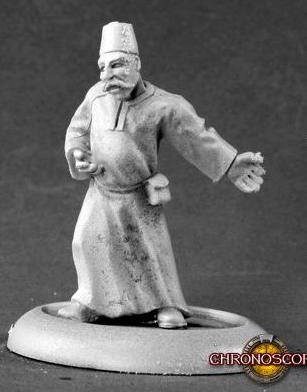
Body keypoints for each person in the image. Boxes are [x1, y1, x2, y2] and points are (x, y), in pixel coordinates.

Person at [58, 22, 265, 329]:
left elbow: (196, 136)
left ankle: (165, 305)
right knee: (87, 243)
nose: (107, 75)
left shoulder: (164, 105)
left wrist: (230, 162)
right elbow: (77, 130)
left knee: (149, 253)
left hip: (138, 196)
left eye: (117, 65)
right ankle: (90, 303)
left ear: (136, 63)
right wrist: (78, 153)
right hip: (101, 191)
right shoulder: (95, 96)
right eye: (102, 67)